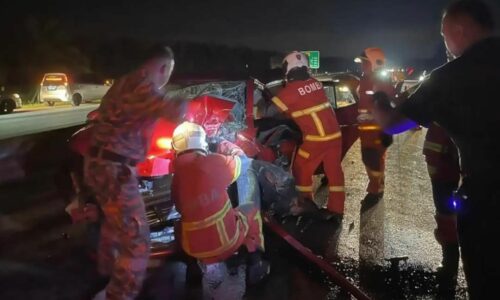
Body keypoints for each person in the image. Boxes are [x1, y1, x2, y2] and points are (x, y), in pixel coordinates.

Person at [372, 1, 499, 298]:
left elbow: (393, 124)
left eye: (444, 35)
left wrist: (379, 99)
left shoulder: (449, 77)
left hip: (488, 205)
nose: (445, 42)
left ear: (459, 29)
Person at [84, 45, 186, 300]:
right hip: (114, 169)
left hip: (101, 164)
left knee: (113, 227)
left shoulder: (124, 82)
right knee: (137, 241)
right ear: (163, 68)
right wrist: (188, 104)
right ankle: (118, 295)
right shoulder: (142, 85)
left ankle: (106, 280)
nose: (166, 80)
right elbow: (174, 111)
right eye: (168, 73)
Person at [170, 122, 269, 299]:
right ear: (202, 142)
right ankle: (256, 260)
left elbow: (180, 206)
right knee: (250, 209)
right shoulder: (214, 162)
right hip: (225, 242)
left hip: (193, 248)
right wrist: (226, 145)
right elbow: (243, 163)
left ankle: (210, 268)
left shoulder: (177, 176)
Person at [270, 51, 345, 222]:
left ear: (288, 69)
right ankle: (337, 210)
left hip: (316, 140)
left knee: (301, 169)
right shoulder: (316, 83)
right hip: (335, 136)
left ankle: (305, 205)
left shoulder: (289, 91)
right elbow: (305, 105)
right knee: (334, 173)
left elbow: (268, 112)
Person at [354, 48, 396, 208]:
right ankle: (378, 186)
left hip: (376, 129)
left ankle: (375, 190)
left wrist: (370, 116)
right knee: (371, 158)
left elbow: (389, 105)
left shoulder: (381, 81)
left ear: (373, 63)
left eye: (365, 63)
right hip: (366, 129)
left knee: (373, 159)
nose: (362, 66)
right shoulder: (366, 78)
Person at [423, 122, 461, 298]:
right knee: (444, 216)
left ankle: (450, 268)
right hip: (440, 174)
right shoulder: (442, 110)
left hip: (445, 175)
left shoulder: (450, 109)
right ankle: (449, 266)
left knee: (447, 219)